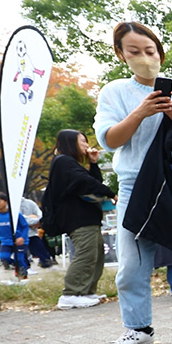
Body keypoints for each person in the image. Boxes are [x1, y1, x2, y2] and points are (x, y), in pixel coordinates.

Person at [93, 21, 172, 344]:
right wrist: (140, 112)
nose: (144, 57)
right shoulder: (114, 92)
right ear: (121, 54)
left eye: (150, 50)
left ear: (160, 53)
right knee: (132, 262)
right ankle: (138, 328)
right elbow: (110, 140)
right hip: (135, 186)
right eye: (134, 51)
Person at [46, 129, 115, 309]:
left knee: (96, 255)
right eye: (82, 141)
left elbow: (94, 182)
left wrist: (93, 163)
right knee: (86, 254)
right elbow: (87, 182)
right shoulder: (63, 161)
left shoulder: (71, 164)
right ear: (71, 143)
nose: (86, 145)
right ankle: (71, 294)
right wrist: (111, 194)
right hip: (77, 218)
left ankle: (87, 291)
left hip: (88, 218)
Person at [0, 192, 29, 278]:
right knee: (4, 257)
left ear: (6, 202)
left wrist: (22, 237)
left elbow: (25, 227)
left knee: (19, 258)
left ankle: (23, 274)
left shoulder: (15, 214)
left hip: (19, 241)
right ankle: (20, 266)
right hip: (5, 241)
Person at [19, 197, 54, 269]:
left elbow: (40, 215)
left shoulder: (30, 203)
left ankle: (46, 262)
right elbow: (19, 218)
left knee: (40, 248)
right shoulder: (9, 205)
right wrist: (34, 220)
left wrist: (38, 221)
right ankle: (25, 267)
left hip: (32, 232)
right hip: (19, 234)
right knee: (21, 252)